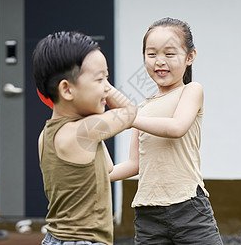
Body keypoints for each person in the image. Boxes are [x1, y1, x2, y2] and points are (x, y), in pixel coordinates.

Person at [110, 17, 223, 245]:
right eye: (151, 54)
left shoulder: (191, 91)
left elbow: (176, 128)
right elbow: (134, 164)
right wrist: (94, 175)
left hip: (189, 208)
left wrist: (130, 118)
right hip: (148, 214)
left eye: (169, 54)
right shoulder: (142, 109)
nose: (159, 61)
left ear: (190, 57)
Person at [32, 31, 137, 245]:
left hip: (56, 238)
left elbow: (106, 169)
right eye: (100, 79)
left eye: (107, 79)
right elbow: (129, 112)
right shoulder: (83, 132)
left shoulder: (48, 134)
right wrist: (107, 91)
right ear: (67, 90)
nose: (106, 87)